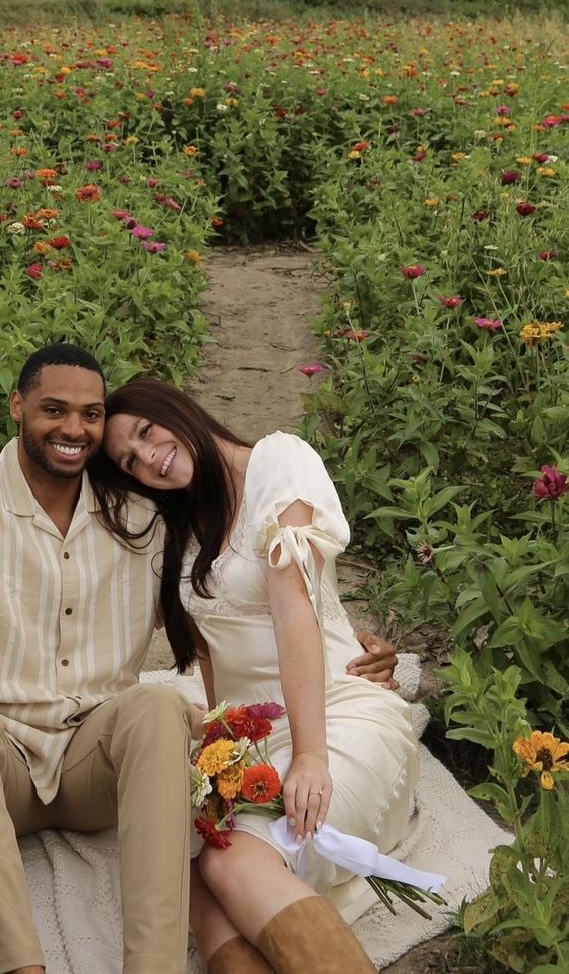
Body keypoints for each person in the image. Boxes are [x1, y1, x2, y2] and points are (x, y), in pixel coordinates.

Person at [0, 343, 198, 974]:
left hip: (94, 767)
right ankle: (16, 966)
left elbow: (226, 617)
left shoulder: (141, 519)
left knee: (160, 706)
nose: (73, 429)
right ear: (17, 408)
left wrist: (347, 648)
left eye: (91, 414)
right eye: (54, 409)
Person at [96, 379, 419, 974]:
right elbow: (215, 656)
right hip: (251, 737)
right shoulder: (185, 525)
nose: (148, 459)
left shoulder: (278, 460)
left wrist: (312, 756)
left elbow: (295, 607)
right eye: (129, 462)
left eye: (145, 432)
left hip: (330, 715)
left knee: (230, 862)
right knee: (188, 868)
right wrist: (223, 753)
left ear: (175, 408)